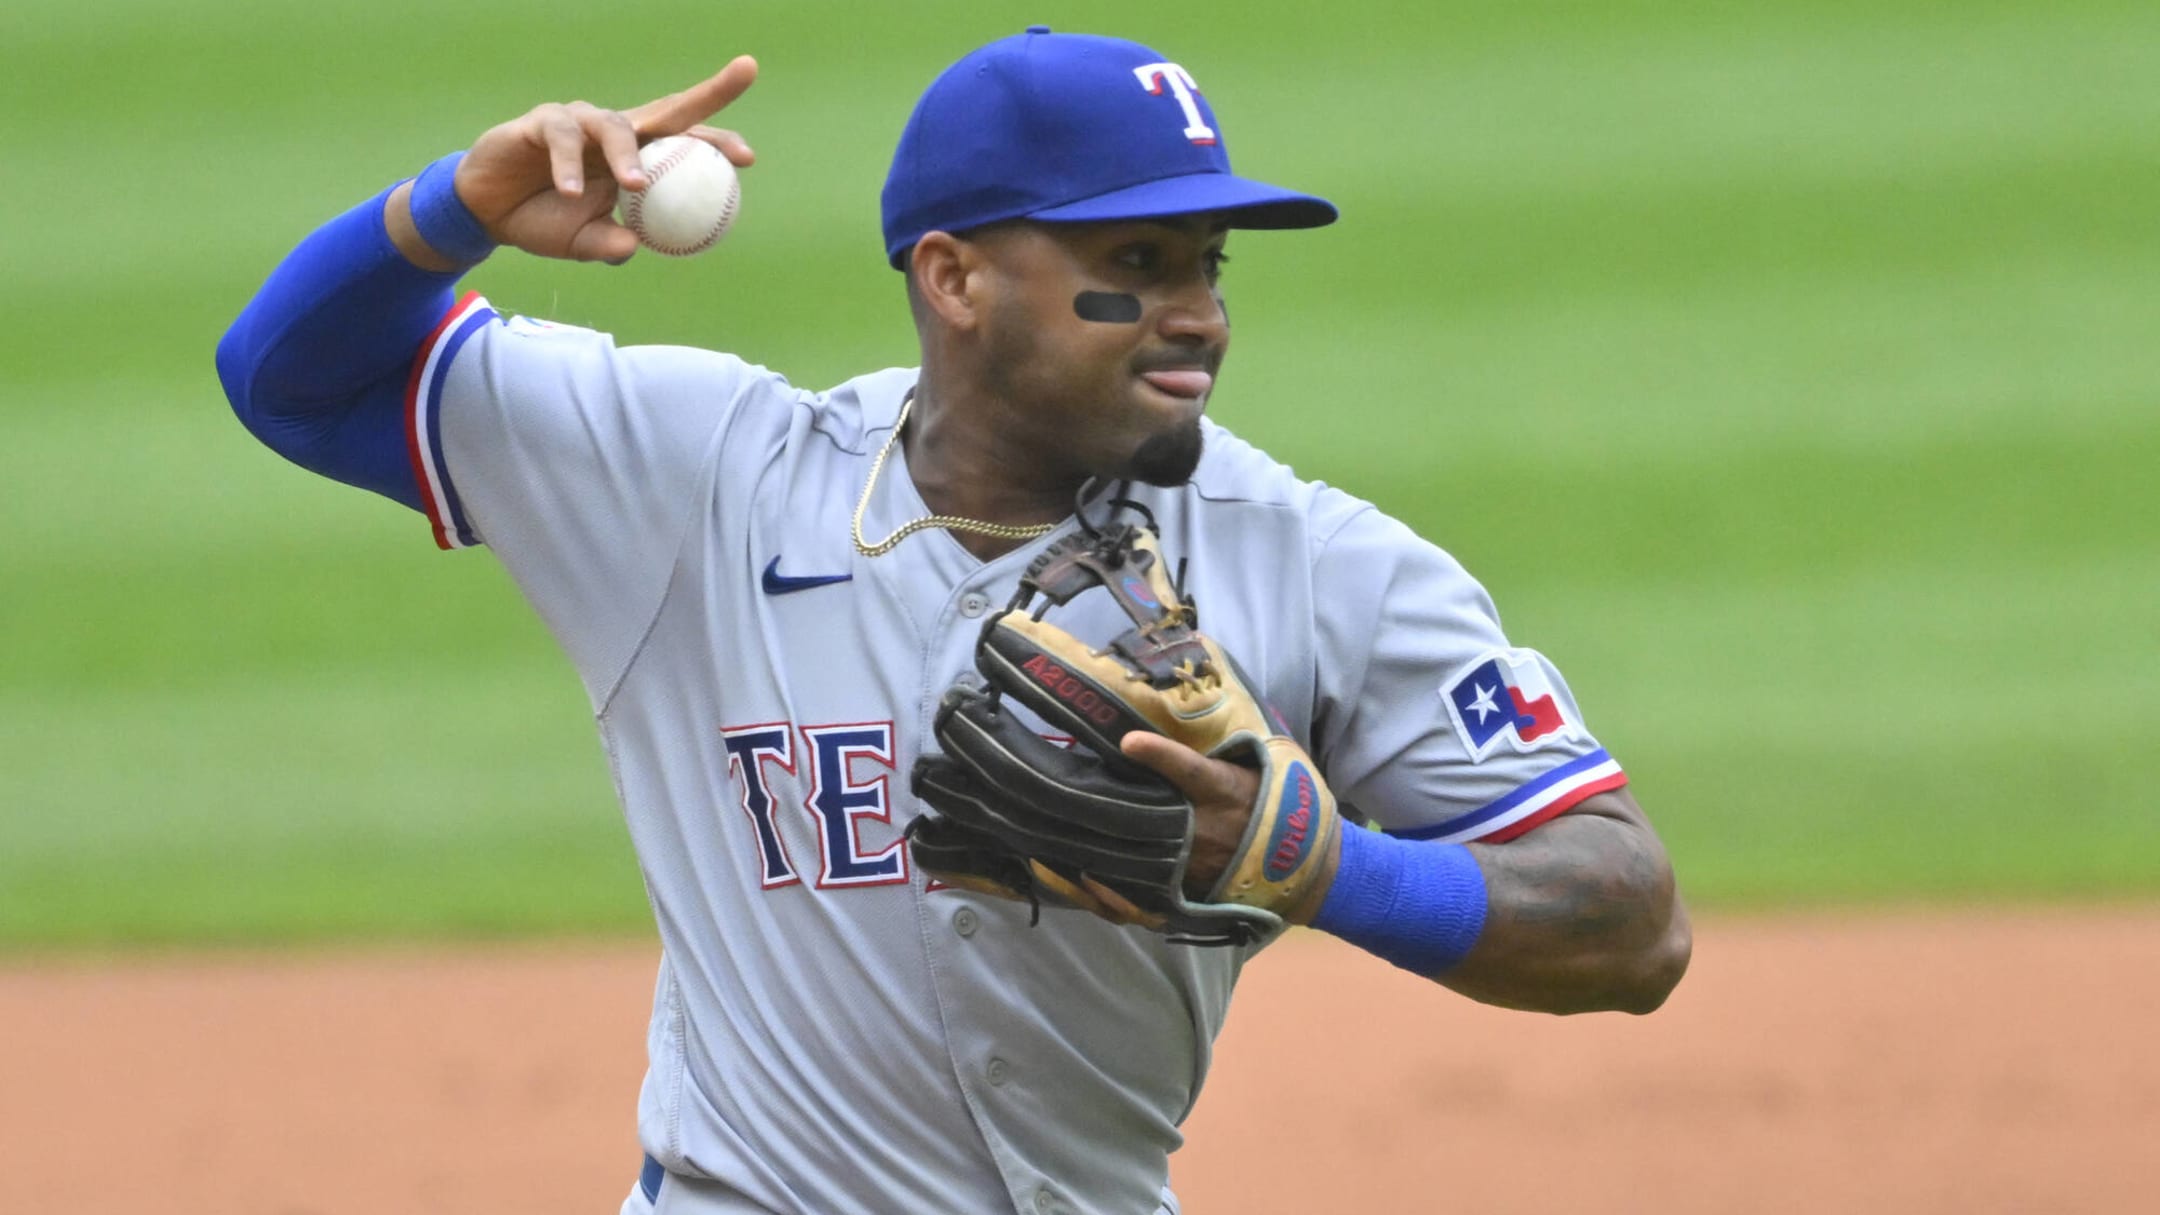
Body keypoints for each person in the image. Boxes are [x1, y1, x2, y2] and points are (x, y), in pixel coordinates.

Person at [217, 27, 1690, 1215]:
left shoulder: (1317, 564)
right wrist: (451, 212)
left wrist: (1323, 867)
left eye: (1208, 264)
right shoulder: (703, 481)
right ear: (957, 277)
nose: (1199, 317)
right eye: (1136, 268)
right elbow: (293, 378)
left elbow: (1632, 927)